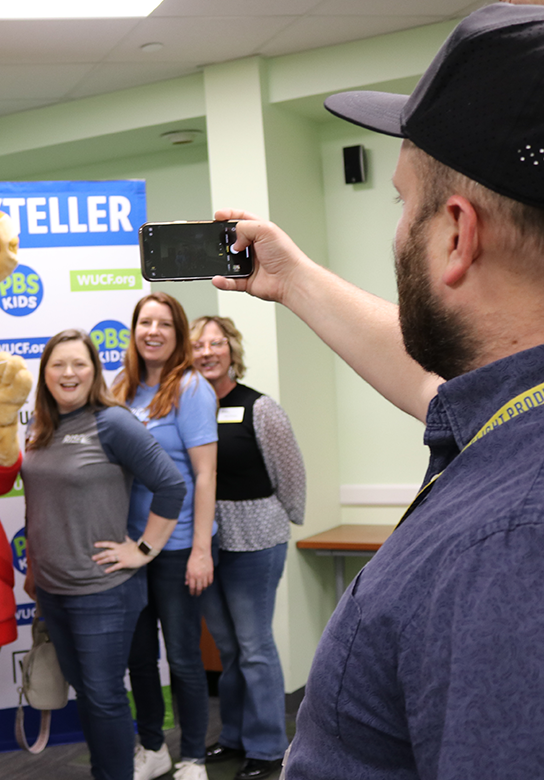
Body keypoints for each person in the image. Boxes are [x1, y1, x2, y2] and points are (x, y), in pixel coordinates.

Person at [209, 5, 544, 776]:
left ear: (457, 234)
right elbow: (439, 385)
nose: (398, 232)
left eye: (403, 203)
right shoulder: (512, 422)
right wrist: (291, 278)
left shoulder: (509, 547)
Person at [21, 329, 187, 780]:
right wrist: (36, 571)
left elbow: (172, 485)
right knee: (87, 695)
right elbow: (39, 503)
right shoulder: (42, 426)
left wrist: (144, 549)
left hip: (103, 592)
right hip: (54, 591)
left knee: (104, 695)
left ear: (94, 371)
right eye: (58, 365)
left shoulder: (112, 423)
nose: (68, 373)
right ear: (45, 373)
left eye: (79, 364)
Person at [189, 316, 305, 780]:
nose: (208, 351)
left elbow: (290, 472)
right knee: (228, 649)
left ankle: (267, 747)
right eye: (198, 345)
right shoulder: (187, 407)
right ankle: (234, 738)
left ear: (231, 351)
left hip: (256, 538)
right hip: (207, 543)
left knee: (255, 646)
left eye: (217, 343)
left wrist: (288, 518)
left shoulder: (259, 408)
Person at [111, 292, 219, 780]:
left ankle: (193, 755)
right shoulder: (121, 388)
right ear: (134, 331)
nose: (152, 331)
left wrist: (200, 549)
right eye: (144, 322)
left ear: (177, 336)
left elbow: (205, 475)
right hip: (133, 547)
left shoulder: (192, 388)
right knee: (137, 655)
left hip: (178, 549)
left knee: (181, 655)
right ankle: (152, 747)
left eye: (163, 325)